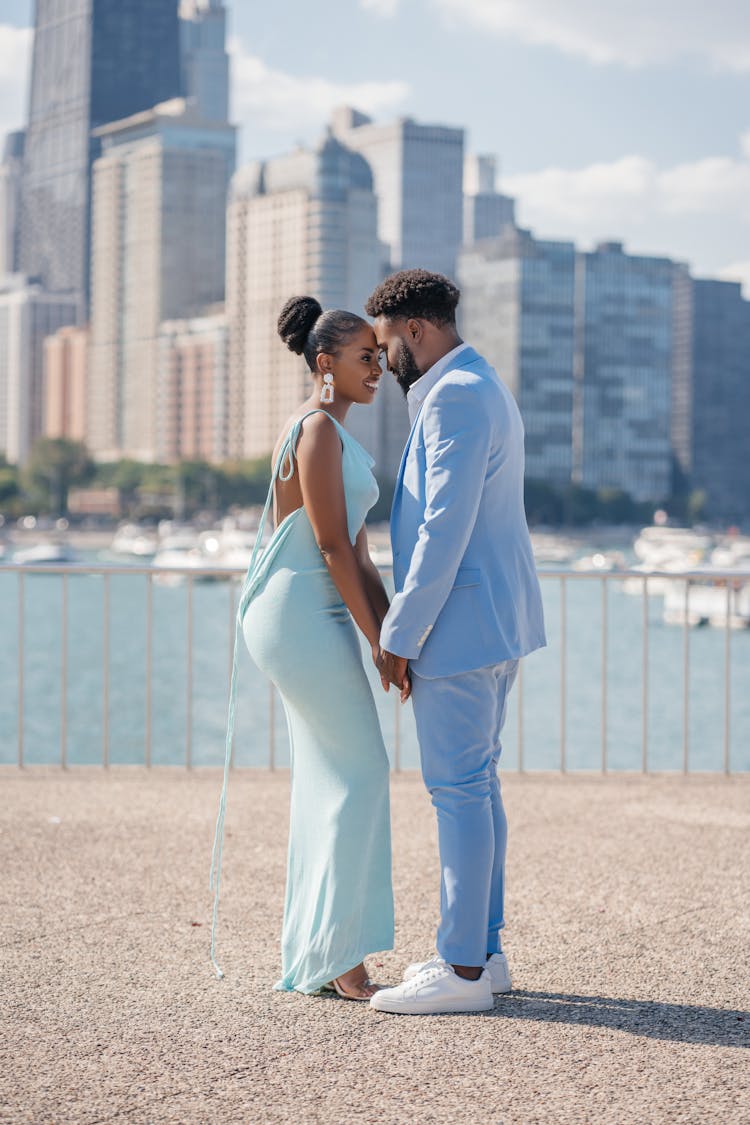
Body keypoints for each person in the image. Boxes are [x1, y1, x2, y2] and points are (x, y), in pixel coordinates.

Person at [210, 296, 407, 1000]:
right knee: (360, 770)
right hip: (298, 611)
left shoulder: (334, 432)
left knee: (334, 776)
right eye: (364, 357)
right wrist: (377, 640)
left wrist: (394, 636)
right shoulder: (318, 430)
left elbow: (358, 547)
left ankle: (323, 950)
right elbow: (327, 547)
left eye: (379, 357)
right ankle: (339, 957)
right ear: (326, 364)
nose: (377, 368)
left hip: (314, 607)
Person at [365, 269, 546, 1015]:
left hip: (460, 627)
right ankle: (484, 950)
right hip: (488, 621)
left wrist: (397, 634)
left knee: (459, 790)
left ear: (414, 329)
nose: (384, 360)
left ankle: (463, 967)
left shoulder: (457, 396)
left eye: (385, 344)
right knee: (478, 784)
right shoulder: (477, 383)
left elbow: (445, 526)